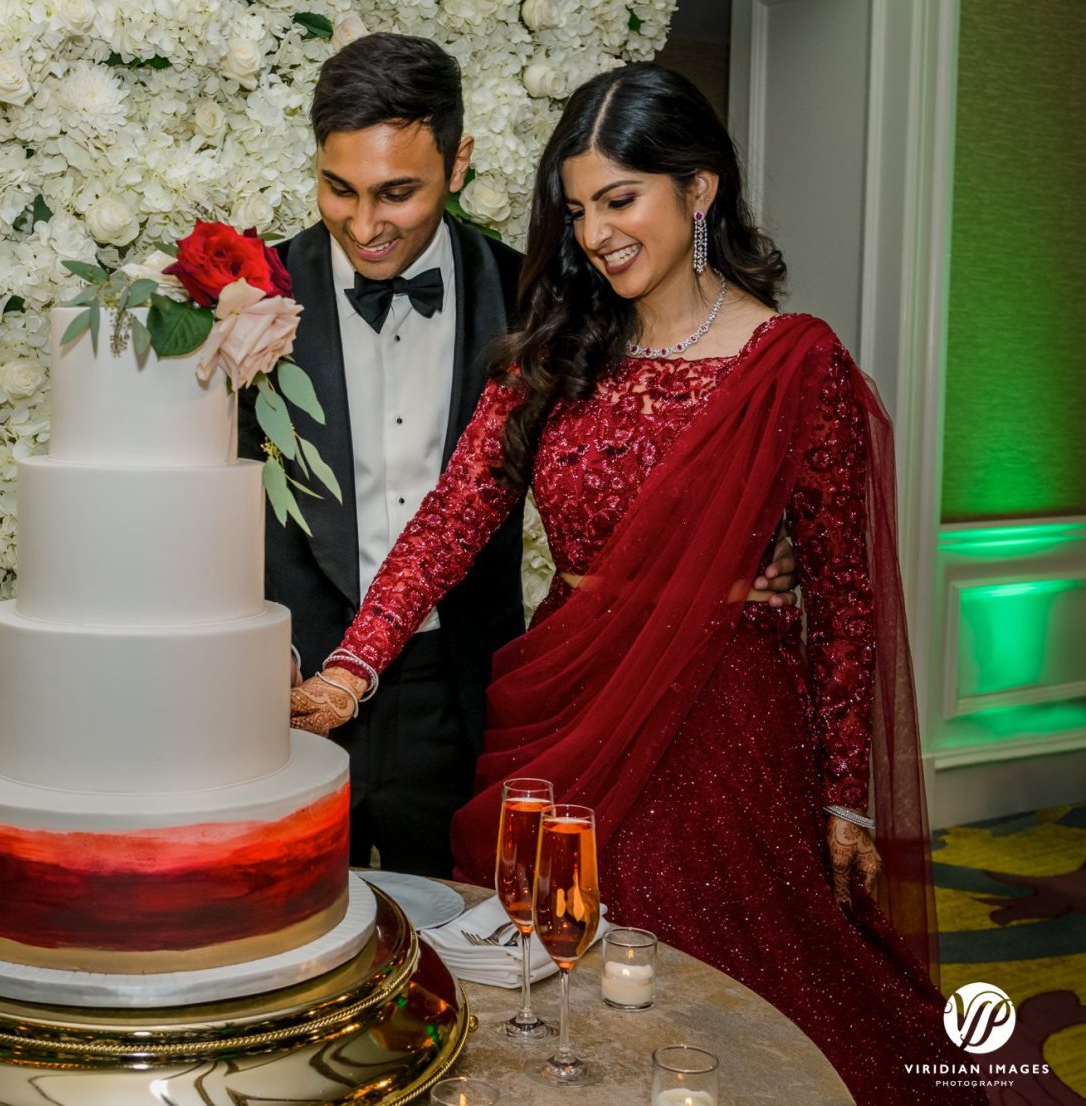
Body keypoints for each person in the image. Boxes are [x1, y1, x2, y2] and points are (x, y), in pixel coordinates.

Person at [290, 62, 980, 1105]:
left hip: (725, 736)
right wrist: (352, 666)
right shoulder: (559, 349)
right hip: (566, 724)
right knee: (561, 1007)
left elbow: (845, 599)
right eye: (576, 211)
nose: (597, 234)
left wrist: (845, 792)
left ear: (697, 189)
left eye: (621, 200)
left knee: (723, 1009)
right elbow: (452, 517)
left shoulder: (795, 364)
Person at [248, 35, 793, 878]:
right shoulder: (245, 300)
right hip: (292, 692)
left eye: (397, 192)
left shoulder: (544, 298)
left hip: (471, 691)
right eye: (339, 188)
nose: (364, 225)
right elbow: (213, 501)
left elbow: (645, 464)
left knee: (483, 954)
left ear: (457, 162)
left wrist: (740, 557)